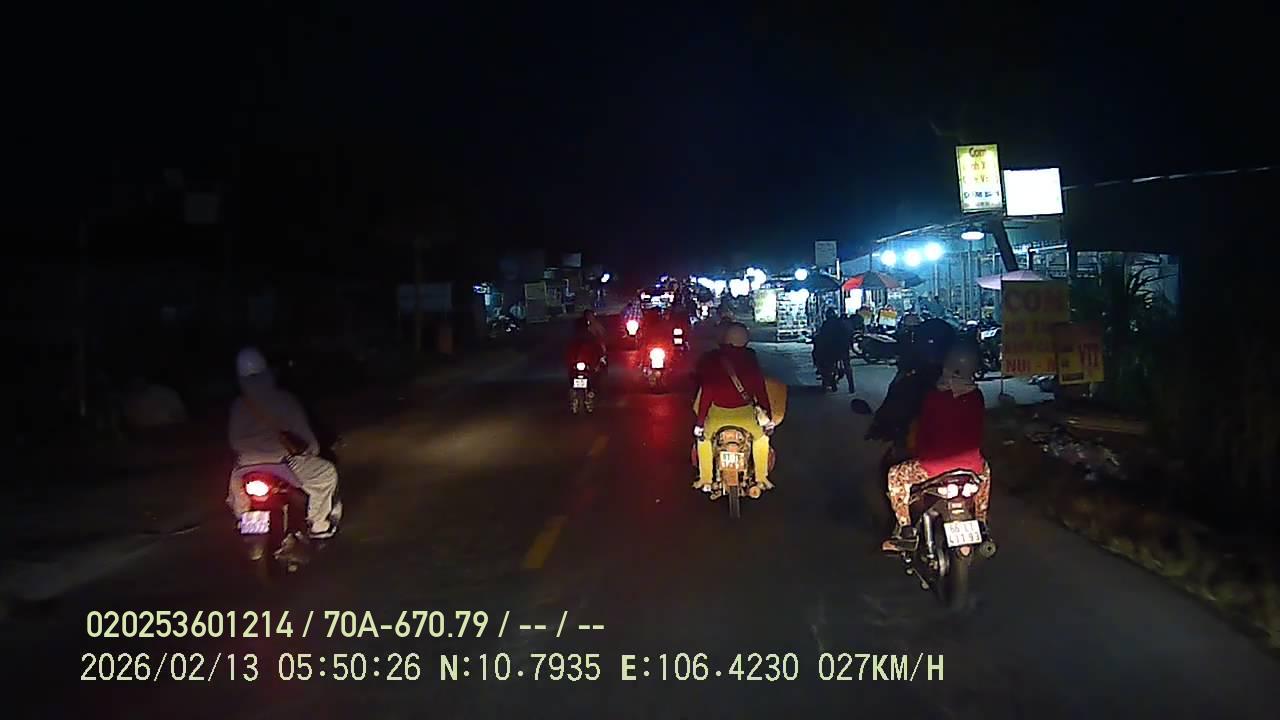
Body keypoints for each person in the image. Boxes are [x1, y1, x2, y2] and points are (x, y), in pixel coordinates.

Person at [882, 343, 991, 551]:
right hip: (972, 467)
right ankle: (982, 522)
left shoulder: (934, 397)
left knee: (895, 475)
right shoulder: (977, 396)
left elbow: (923, 433)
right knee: (986, 473)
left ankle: (905, 530)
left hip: (933, 467)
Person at [227, 347, 340, 539]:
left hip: (246, 464)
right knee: (326, 474)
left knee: (235, 491)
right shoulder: (284, 399)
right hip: (283, 461)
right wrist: (311, 450)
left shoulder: (238, 404)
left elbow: (233, 440)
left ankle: (243, 518)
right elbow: (307, 439)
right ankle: (319, 526)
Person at [692, 323, 775, 490]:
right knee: (761, 438)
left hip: (718, 416)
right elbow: (761, 391)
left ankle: (705, 479)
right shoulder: (750, 359)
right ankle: (761, 479)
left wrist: (700, 424)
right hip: (746, 416)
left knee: (704, 440)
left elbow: (707, 393)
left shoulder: (714, 359)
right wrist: (768, 418)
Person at [813, 307, 855, 392]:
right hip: (843, 349)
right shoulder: (841, 323)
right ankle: (851, 386)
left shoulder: (826, 324)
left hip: (831, 350)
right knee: (847, 366)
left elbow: (822, 336)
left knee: (823, 360)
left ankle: (828, 378)